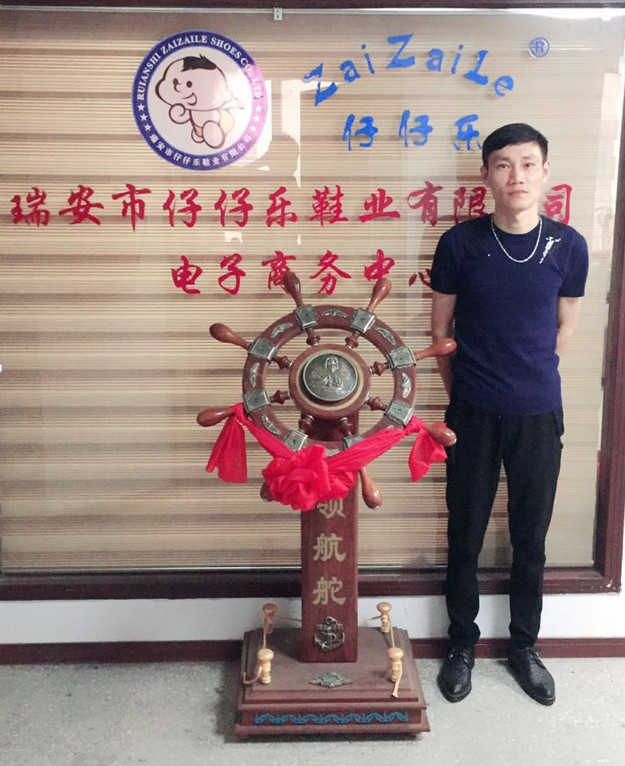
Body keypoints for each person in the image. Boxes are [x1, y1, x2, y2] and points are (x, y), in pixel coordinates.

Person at [430, 123, 588, 706]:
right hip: (472, 412)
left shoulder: (568, 245)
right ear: (486, 175)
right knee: (465, 534)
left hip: (538, 414)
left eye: (527, 164)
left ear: (545, 172)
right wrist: (468, 391)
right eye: (503, 164)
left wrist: (530, 376)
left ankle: (524, 646)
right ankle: (461, 645)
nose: (516, 175)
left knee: (531, 538)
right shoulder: (460, 244)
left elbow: (564, 328)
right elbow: (441, 335)